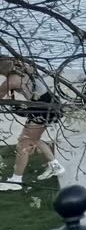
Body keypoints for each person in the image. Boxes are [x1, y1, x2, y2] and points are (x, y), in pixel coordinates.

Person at [0, 57, 62, 190]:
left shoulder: (12, 80)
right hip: (47, 104)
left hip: (43, 108)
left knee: (25, 142)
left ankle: (16, 180)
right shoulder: (25, 68)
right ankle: (55, 166)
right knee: (33, 139)